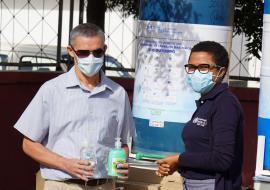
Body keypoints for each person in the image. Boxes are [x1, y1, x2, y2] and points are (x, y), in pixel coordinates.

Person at [14, 23, 135, 190]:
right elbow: (28, 144)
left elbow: (123, 143)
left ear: (104, 50)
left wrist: (121, 164)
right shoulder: (52, 90)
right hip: (62, 184)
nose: (91, 58)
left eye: (98, 52)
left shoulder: (118, 94)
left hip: (104, 185)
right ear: (71, 51)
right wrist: (65, 164)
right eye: (84, 53)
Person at [155, 41, 244, 190]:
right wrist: (178, 164)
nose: (196, 72)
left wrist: (180, 159)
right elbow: (201, 153)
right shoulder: (206, 102)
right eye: (191, 67)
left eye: (203, 67)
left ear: (221, 72)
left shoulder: (225, 104)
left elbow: (222, 159)